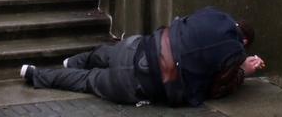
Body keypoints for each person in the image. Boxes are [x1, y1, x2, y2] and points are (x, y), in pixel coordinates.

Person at [21, 7, 265, 107]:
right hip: (139, 84)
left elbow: (185, 30)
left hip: (138, 46)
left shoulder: (213, 13)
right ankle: (34, 73)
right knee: (88, 81)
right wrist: (243, 69)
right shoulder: (235, 53)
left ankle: (73, 60)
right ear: (243, 42)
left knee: (106, 53)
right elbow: (216, 90)